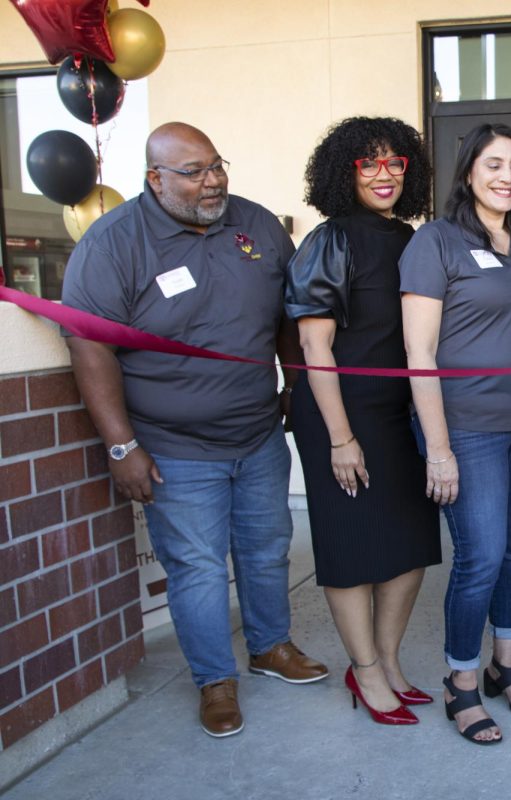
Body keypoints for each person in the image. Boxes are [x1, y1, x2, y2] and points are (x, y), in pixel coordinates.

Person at [61, 122, 328, 739]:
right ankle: (214, 678)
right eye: (193, 171)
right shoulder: (114, 242)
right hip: (173, 447)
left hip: (258, 432)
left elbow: (288, 314)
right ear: (155, 178)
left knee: (266, 548)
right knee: (200, 568)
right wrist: (121, 444)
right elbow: (90, 347)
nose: (213, 181)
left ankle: (269, 648)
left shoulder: (256, 224)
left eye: (216, 165)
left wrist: (293, 384)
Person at [400, 123, 511, 746]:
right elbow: (419, 350)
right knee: (481, 557)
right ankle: (459, 683)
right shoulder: (435, 243)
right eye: (494, 164)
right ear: (468, 172)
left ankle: (505, 667)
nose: (507, 176)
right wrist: (438, 448)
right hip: (468, 429)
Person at [285, 117, 441, 726]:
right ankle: (365, 670)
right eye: (367, 163)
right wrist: (340, 438)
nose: (384, 174)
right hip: (339, 410)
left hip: (399, 411)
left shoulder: (413, 240)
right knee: (351, 547)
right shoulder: (329, 241)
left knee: (410, 545)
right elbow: (315, 349)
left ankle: (390, 661)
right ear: (342, 171)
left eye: (395, 162)